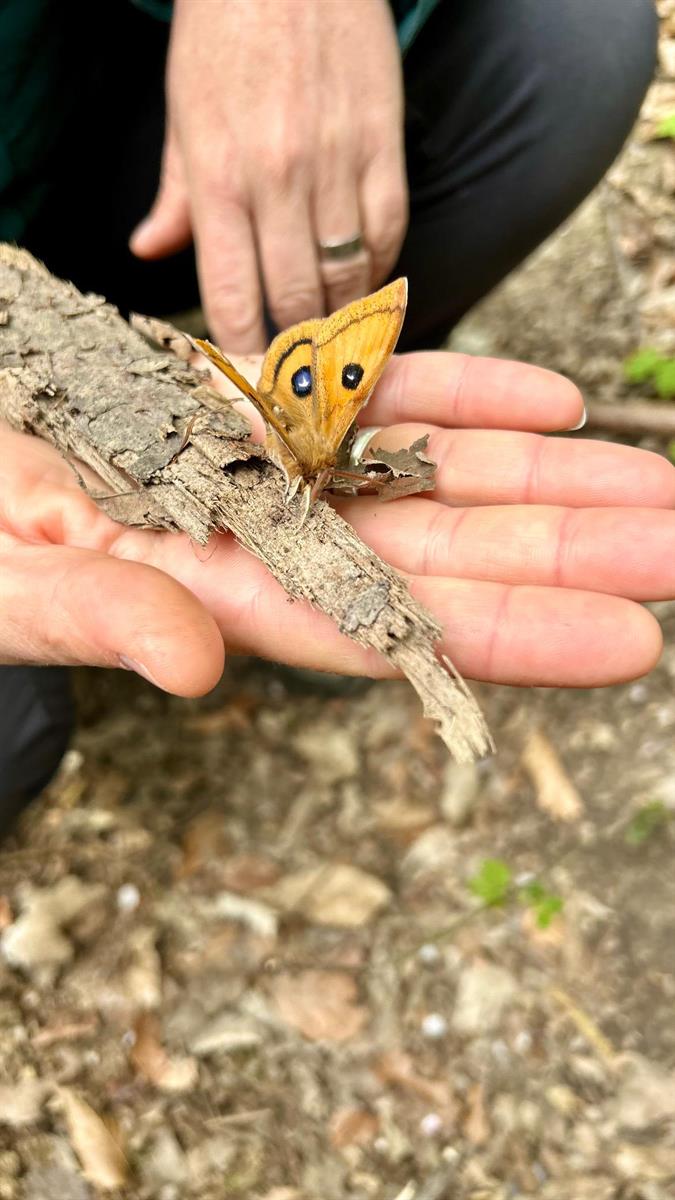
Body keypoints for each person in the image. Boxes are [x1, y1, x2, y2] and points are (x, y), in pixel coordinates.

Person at [0, 0, 667, 828]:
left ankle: (330, 561)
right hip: (50, 282)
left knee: (570, 34)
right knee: (19, 741)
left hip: (85, 102)